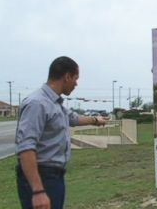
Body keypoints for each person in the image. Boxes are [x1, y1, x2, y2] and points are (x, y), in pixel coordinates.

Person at [15, 56, 108, 209]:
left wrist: (96, 120)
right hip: (41, 177)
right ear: (67, 77)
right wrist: (38, 191)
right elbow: (25, 148)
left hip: (54, 177)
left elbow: (73, 119)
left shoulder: (55, 104)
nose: (76, 84)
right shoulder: (37, 103)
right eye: (75, 79)